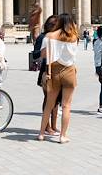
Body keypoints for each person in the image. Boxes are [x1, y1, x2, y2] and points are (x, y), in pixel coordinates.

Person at [37, 13, 78, 143]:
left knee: (49, 104)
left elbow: (44, 55)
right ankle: (62, 136)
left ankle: (42, 134)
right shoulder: (74, 37)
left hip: (54, 70)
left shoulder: (50, 36)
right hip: (69, 71)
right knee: (66, 106)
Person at [33, 16, 61, 137]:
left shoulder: (59, 37)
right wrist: (44, 52)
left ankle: (54, 125)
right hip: (46, 70)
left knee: (57, 100)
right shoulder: (42, 37)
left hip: (58, 70)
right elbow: (35, 55)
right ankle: (47, 127)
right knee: (48, 99)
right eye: (53, 25)